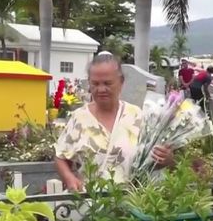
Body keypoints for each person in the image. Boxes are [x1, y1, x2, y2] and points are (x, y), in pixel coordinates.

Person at [55, 53, 174, 190]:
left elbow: (152, 160)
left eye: (107, 83)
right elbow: (61, 156)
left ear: (121, 82)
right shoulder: (79, 118)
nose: (101, 89)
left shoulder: (137, 116)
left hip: (133, 203)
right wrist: (69, 178)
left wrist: (166, 159)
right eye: (95, 83)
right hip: (91, 204)